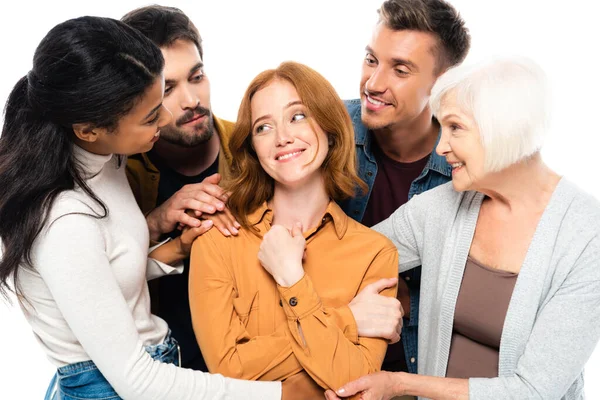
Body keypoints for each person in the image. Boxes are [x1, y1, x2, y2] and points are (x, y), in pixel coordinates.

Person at [0, 16, 280, 399]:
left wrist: (173, 248)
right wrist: (279, 395)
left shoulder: (107, 158)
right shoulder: (64, 222)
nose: (167, 118)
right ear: (89, 130)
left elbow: (101, 284)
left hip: (157, 364)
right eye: (152, 114)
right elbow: (139, 382)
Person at [326, 57, 600, 399]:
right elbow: (341, 258)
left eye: (455, 128)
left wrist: (400, 384)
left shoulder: (588, 235)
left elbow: (536, 391)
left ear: (501, 129)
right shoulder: (440, 208)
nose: (441, 148)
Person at [189, 61, 399, 398]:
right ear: (253, 150)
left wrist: (291, 277)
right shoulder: (216, 240)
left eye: (298, 116)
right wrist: (346, 320)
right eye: (263, 127)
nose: (283, 137)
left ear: (331, 129)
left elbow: (355, 384)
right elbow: (228, 369)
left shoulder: (375, 253)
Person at [340, 0, 471, 375]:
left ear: (443, 82)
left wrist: (410, 299)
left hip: (416, 375)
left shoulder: (467, 167)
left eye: (400, 69)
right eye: (371, 60)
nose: (374, 84)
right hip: (326, 360)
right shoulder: (327, 131)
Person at [122, 5, 240, 371]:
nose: (191, 100)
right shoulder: (117, 170)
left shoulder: (257, 148)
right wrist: (155, 222)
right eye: (167, 87)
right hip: (155, 375)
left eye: (197, 76)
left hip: (250, 376)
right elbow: (92, 284)